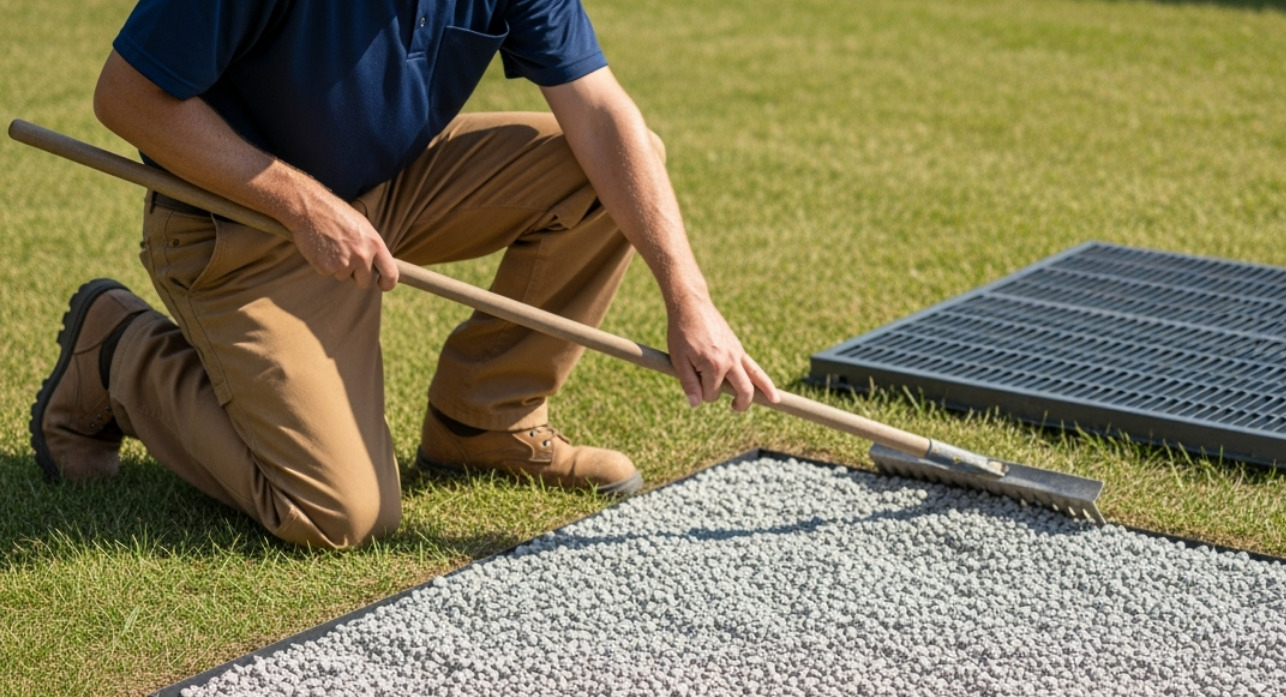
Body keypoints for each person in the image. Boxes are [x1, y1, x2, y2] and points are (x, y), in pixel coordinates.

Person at [30, 0, 779, 549]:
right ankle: (120, 353)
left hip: (392, 186)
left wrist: (689, 295)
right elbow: (126, 97)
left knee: (606, 166)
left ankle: (482, 421)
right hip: (240, 225)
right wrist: (300, 205)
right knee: (340, 515)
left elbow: (600, 114)